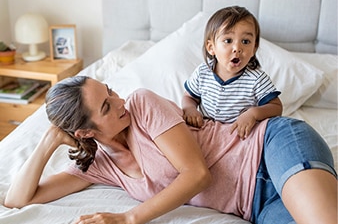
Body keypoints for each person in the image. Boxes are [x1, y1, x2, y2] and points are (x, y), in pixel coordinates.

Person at [4, 75, 337, 224]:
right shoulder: (99, 166)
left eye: (110, 91)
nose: (120, 101)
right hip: (255, 206)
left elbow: (197, 175)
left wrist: (129, 218)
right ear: (86, 132)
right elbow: (18, 200)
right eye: (107, 106)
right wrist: (49, 140)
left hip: (270, 148)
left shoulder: (141, 103)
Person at [182, 6, 282, 140]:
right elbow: (189, 97)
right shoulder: (203, 72)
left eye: (245, 41)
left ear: (254, 49)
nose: (237, 48)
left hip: (237, 137)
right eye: (228, 41)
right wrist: (190, 109)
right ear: (211, 47)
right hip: (204, 132)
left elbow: (276, 107)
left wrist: (253, 114)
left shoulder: (256, 79)